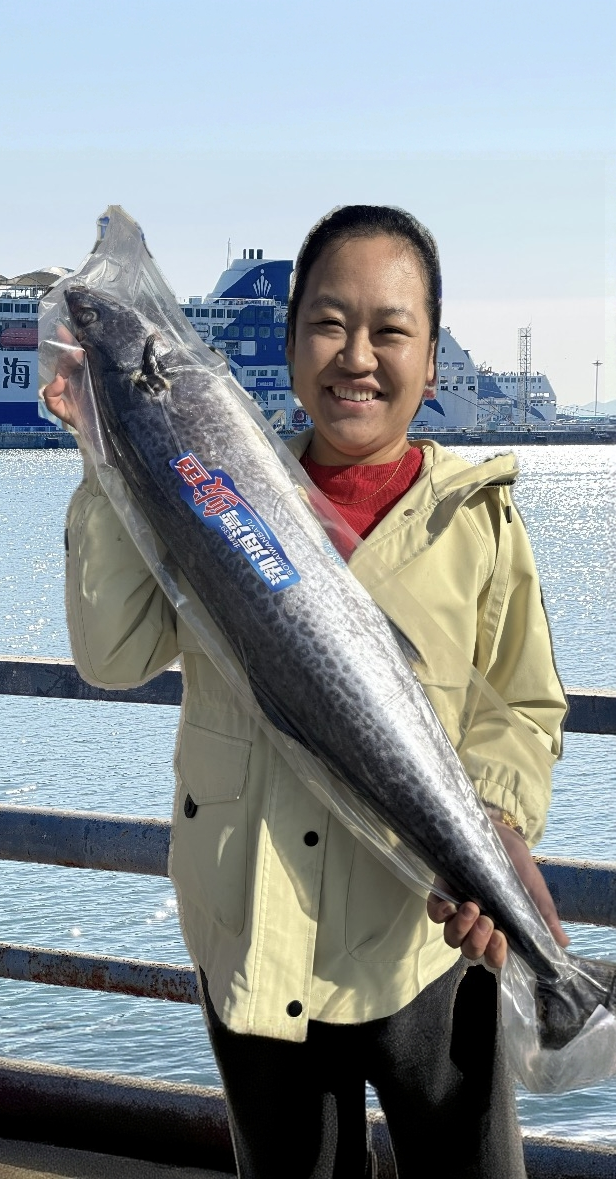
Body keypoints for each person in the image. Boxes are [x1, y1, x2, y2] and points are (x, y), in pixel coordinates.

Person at [43, 205, 569, 1179]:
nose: (356, 355)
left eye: (390, 329)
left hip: (425, 945)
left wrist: (495, 818)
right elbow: (111, 655)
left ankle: (569, 997)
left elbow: (520, 706)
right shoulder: (211, 489)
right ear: (287, 346)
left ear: (432, 358)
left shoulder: (477, 519)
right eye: (328, 324)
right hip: (259, 934)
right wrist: (106, 458)